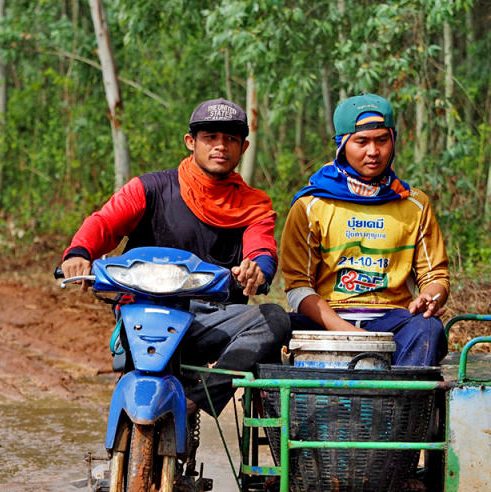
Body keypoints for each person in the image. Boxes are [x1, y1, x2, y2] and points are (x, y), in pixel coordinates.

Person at [61, 98, 290, 413]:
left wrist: (257, 270)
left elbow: (261, 246)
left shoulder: (254, 204)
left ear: (244, 147)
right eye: (210, 137)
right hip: (146, 313)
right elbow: (105, 222)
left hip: (212, 320)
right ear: (190, 142)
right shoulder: (150, 188)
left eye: (231, 139)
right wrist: (80, 252)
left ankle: (198, 399)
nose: (220, 146)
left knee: (275, 318)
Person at [280, 94, 450, 366]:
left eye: (382, 140)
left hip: (394, 319)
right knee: (273, 325)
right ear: (343, 144)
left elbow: (436, 276)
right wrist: (352, 335)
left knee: (429, 329)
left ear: (393, 141)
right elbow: (298, 287)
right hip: (326, 319)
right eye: (362, 141)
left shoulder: (415, 204)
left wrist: (431, 296)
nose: (373, 151)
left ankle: (400, 406)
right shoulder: (310, 205)